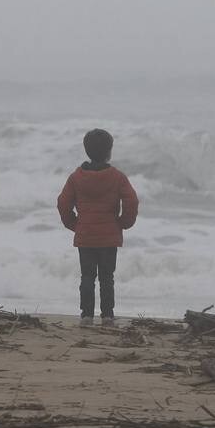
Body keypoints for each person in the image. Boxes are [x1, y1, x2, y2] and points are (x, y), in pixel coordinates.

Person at [57, 129, 139, 326]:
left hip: (85, 235)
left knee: (87, 276)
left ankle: (86, 315)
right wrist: (123, 223)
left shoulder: (76, 177)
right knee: (106, 277)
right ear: (109, 151)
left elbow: (63, 203)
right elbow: (132, 201)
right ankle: (107, 315)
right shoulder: (117, 177)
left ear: (86, 151)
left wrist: (74, 225)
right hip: (109, 236)